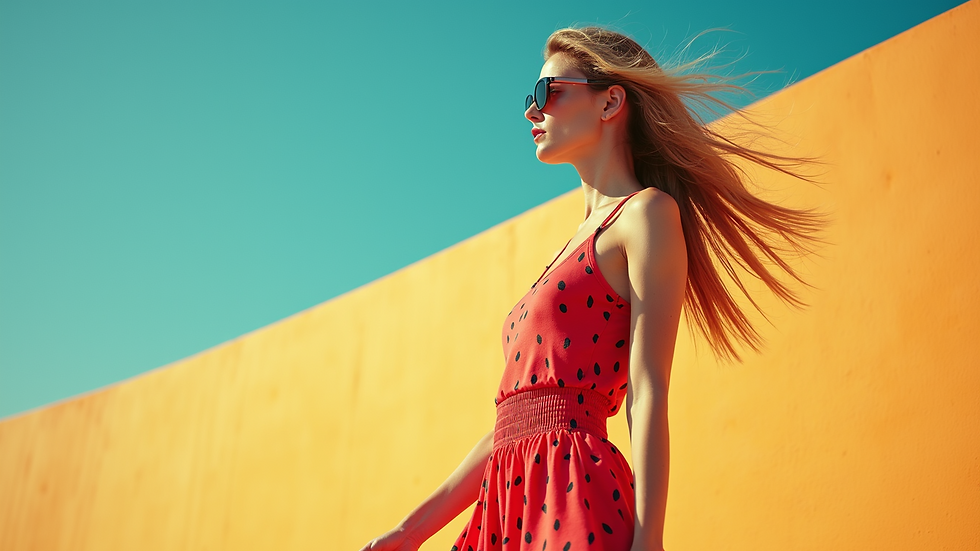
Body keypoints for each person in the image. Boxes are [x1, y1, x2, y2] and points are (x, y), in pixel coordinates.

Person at [358, 25, 827, 551]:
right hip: (506, 505)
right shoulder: (570, 245)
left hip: (573, 490)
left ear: (610, 102)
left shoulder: (645, 215)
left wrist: (650, 539)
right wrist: (409, 532)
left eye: (548, 92)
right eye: (529, 98)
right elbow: (513, 423)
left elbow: (647, 389)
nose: (532, 111)